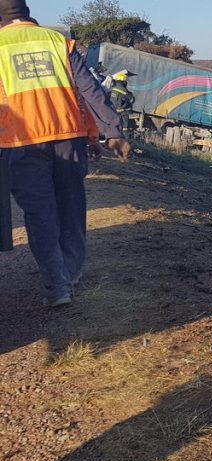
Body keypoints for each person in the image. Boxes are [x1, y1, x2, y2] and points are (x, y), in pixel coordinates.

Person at [1, 0, 128, 306]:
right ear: (28, 13)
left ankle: (57, 286)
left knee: (39, 214)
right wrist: (110, 131)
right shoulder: (59, 42)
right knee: (71, 209)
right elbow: (88, 91)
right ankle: (69, 273)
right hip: (68, 139)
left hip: (20, 143)